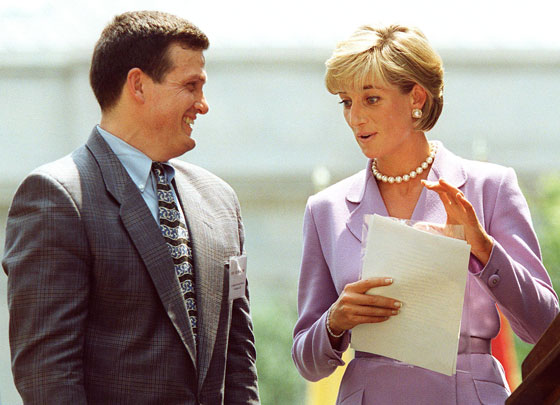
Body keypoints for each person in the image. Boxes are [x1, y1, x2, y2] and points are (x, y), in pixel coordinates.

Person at [291, 24, 559, 404]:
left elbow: (544, 327)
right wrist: (334, 322)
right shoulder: (325, 209)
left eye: (371, 99)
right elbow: (307, 362)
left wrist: (484, 250)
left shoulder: (491, 187)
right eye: (346, 102)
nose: (355, 117)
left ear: (416, 97)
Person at [3, 11, 259, 404]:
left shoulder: (220, 200)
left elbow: (238, 361)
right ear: (138, 85)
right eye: (190, 86)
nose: (203, 105)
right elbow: (48, 377)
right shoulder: (56, 198)